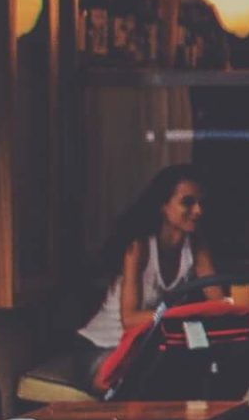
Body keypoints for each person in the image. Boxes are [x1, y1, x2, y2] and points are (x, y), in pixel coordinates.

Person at [75, 163, 223, 382]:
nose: (198, 211)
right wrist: (182, 315)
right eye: (188, 202)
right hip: (103, 346)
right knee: (139, 382)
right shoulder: (139, 247)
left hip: (144, 348)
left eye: (201, 203)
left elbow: (218, 304)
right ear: (163, 205)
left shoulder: (196, 246)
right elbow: (131, 319)